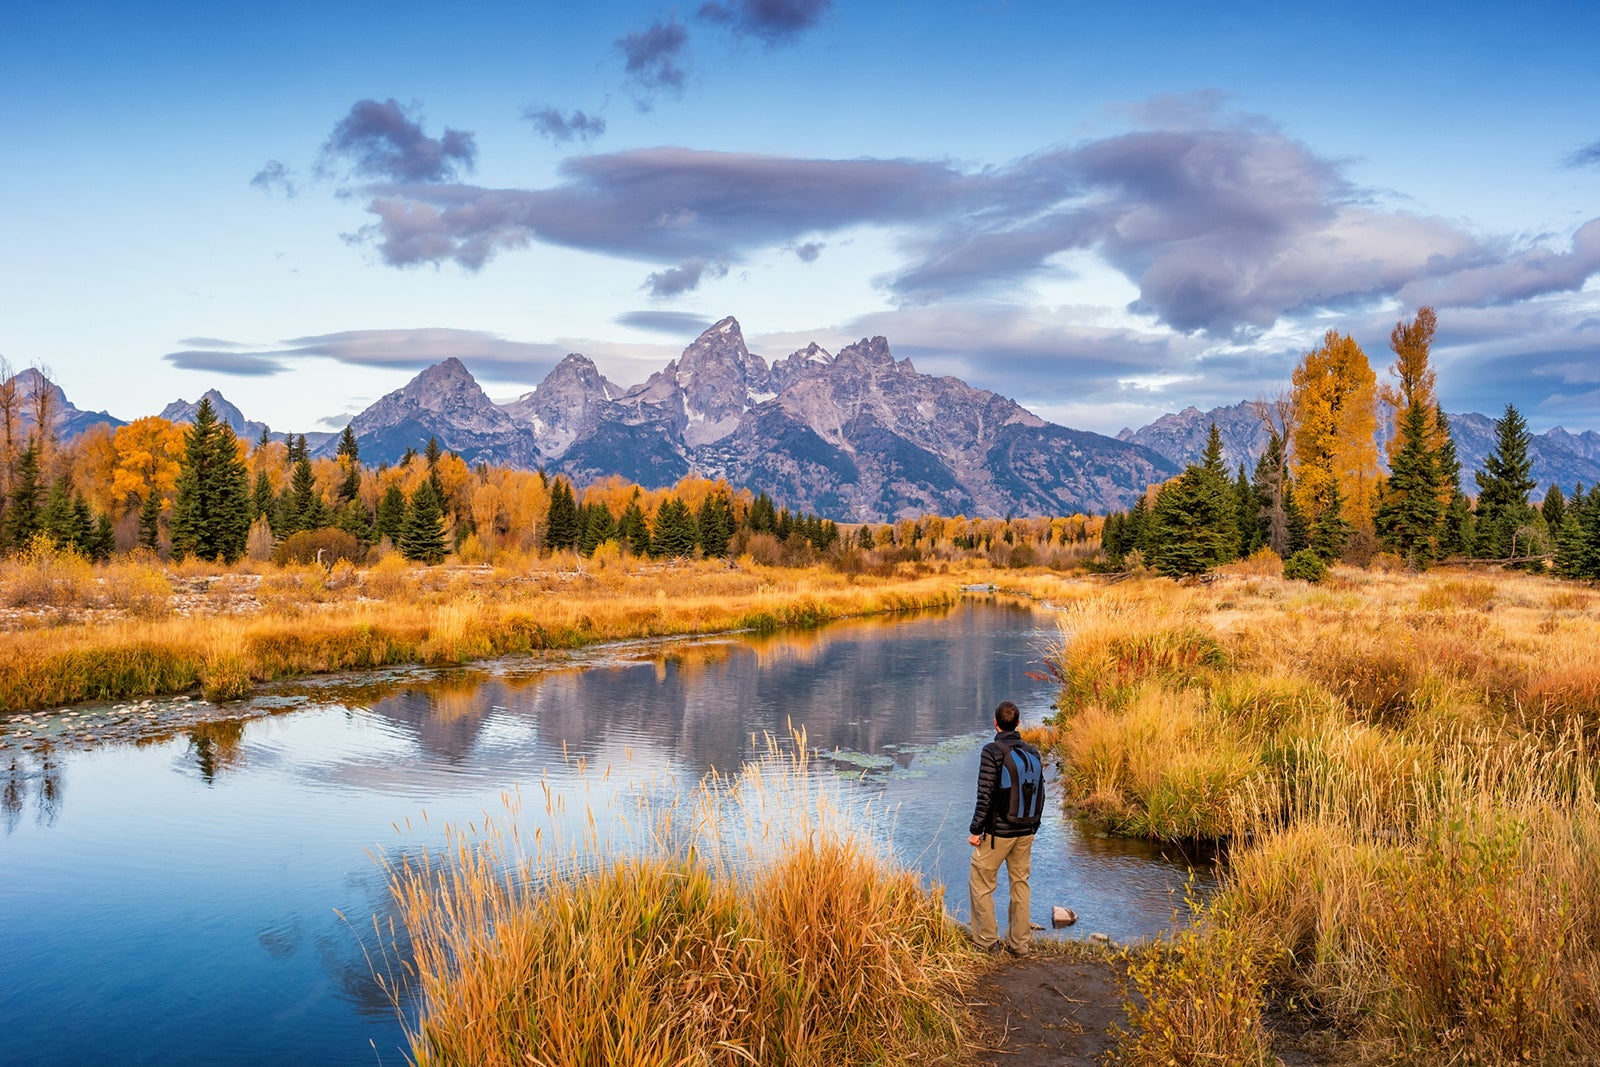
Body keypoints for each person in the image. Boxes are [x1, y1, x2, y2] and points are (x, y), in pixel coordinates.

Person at [968, 699, 1044, 956]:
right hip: (1025, 830)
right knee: (1020, 884)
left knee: (981, 882)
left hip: (997, 833)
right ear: (1018, 723)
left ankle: (987, 941)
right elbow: (1041, 793)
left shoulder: (992, 751)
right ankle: (1019, 945)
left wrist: (975, 830)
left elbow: (985, 794)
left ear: (995, 722)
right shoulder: (1033, 752)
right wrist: (1035, 828)